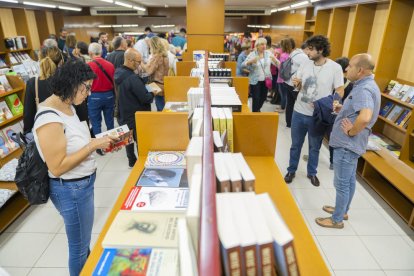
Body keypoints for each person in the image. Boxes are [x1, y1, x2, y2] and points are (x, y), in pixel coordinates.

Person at [33, 60, 117, 276]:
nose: (89, 93)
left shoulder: (69, 106)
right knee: (79, 248)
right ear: (71, 83)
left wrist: (101, 142)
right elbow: (58, 167)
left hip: (81, 186)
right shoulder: (49, 119)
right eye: (86, 88)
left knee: (83, 240)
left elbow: (78, 141)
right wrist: (92, 145)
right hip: (70, 189)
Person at [315, 54, 380, 229]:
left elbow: (365, 117)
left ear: (360, 70)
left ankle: (337, 220)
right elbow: (359, 111)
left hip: (347, 145)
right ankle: (342, 210)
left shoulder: (363, 89)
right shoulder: (366, 85)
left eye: (350, 66)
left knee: (341, 183)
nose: (346, 69)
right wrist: (344, 109)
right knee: (349, 180)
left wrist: (351, 131)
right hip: (351, 144)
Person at [284, 35, 344, 187]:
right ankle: (291, 170)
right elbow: (296, 83)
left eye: (311, 49)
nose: (308, 52)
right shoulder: (305, 63)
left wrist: (333, 104)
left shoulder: (335, 68)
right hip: (299, 111)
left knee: (314, 146)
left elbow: (340, 90)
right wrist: (297, 84)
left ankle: (312, 173)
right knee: (295, 144)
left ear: (321, 50)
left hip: (318, 115)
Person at [114, 49, 157, 168]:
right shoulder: (132, 78)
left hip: (123, 112)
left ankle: (131, 161)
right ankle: (142, 164)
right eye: (138, 62)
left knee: (127, 139)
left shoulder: (119, 72)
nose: (140, 65)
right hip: (136, 114)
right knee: (141, 141)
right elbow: (145, 98)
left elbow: (131, 88)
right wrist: (153, 93)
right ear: (129, 60)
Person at [23, 46, 64, 133]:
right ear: (61, 61)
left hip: (44, 132)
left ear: (39, 61)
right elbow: (80, 110)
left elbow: (29, 114)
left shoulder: (33, 83)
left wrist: (28, 133)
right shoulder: (69, 80)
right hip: (68, 130)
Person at [87, 43, 115, 149]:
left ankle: (99, 147)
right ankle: (112, 143)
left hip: (94, 96)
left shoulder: (88, 66)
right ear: (102, 52)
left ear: (90, 53)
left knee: (96, 122)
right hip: (109, 95)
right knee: (110, 120)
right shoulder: (110, 65)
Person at [242, 37, 279, 112]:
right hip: (255, 81)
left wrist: (275, 60)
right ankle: (255, 113)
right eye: (262, 44)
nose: (264, 46)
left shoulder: (268, 53)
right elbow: (242, 65)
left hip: (266, 80)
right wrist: (250, 61)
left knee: (263, 98)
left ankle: (257, 110)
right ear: (257, 46)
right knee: (256, 98)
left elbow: (278, 65)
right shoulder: (252, 54)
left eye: (265, 44)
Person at [282, 39, 309, 127]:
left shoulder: (293, 54)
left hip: (288, 82)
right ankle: (296, 124)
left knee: (289, 103)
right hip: (295, 84)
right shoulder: (302, 56)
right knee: (298, 104)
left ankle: (288, 123)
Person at [141, 36, 169, 111]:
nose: (149, 47)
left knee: (159, 106)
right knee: (162, 105)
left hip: (156, 85)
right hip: (163, 84)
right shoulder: (165, 56)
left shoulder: (156, 57)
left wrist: (141, 62)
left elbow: (149, 71)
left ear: (153, 45)